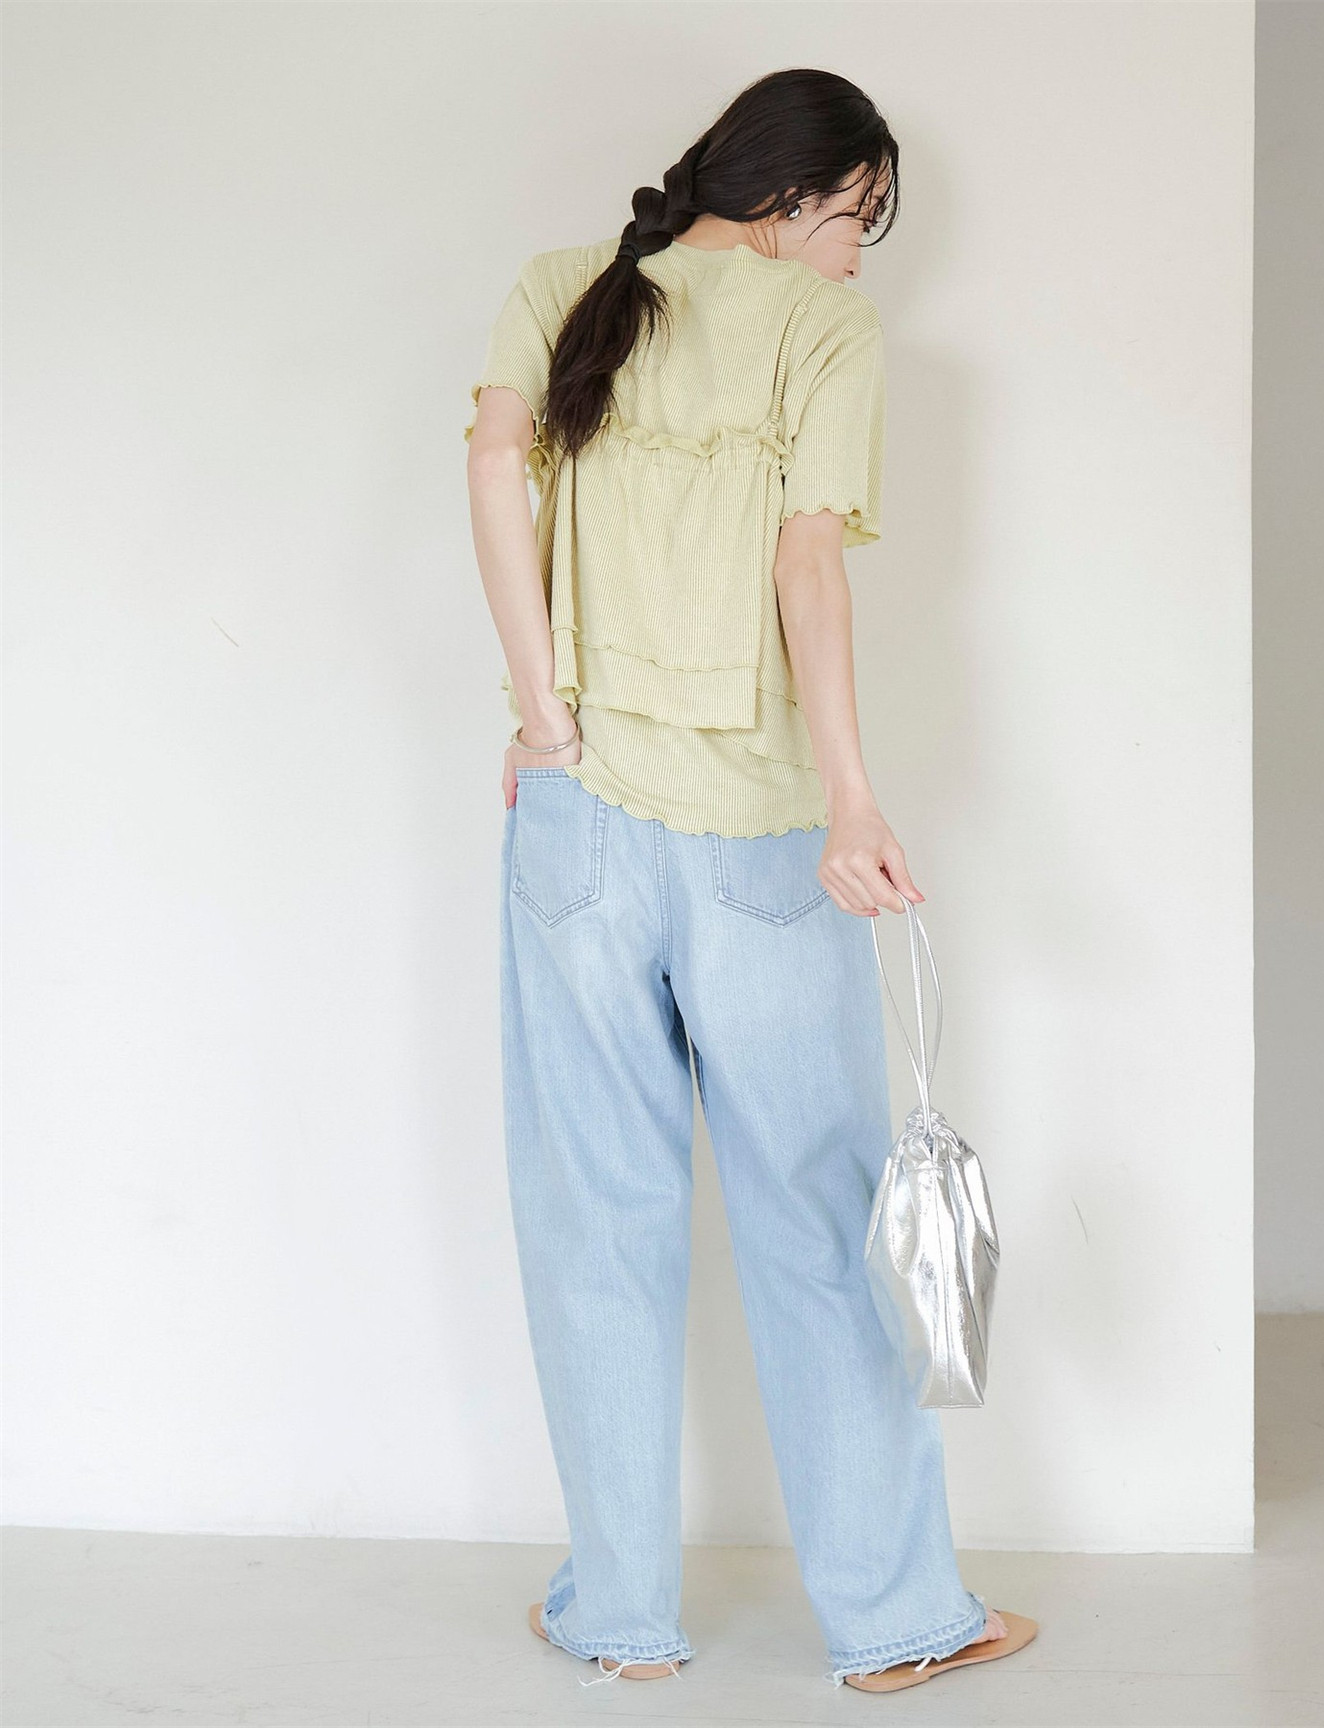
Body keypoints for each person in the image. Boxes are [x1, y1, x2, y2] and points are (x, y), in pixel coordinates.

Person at [463, 66, 1037, 1694]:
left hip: (573, 822)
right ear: (795, 194)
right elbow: (807, 565)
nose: (861, 254)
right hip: (761, 835)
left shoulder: (563, 287)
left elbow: (493, 470)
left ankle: (620, 1620)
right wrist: (851, 796)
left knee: (596, 1218)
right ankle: (898, 1623)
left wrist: (544, 719)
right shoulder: (823, 329)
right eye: (861, 218)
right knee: (813, 1218)